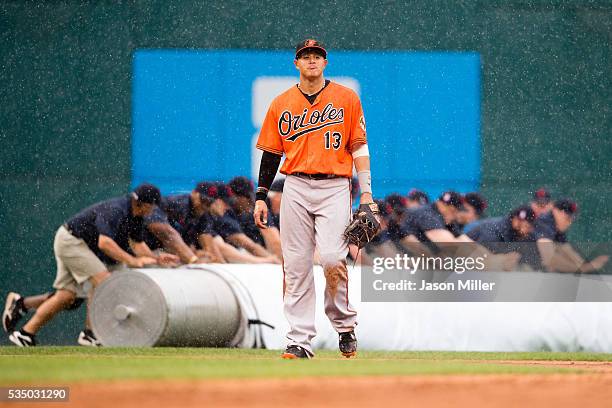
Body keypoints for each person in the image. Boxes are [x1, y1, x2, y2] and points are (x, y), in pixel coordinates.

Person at [253, 38, 373, 359]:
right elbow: (270, 154)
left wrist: (367, 194)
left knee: (334, 258)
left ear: (325, 62)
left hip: (334, 185)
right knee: (295, 266)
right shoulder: (281, 103)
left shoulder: (346, 99)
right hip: (294, 185)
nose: (311, 61)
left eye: (316, 56)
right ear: (296, 63)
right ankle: (299, 340)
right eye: (305, 56)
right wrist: (261, 196)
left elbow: (359, 147)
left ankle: (345, 325)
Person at [5, 184, 169, 347]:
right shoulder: (117, 209)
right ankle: (90, 334)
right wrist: (132, 261)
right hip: (72, 242)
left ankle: (25, 334)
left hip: (77, 243)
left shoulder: (136, 216)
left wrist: (156, 258)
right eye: (153, 206)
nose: (153, 210)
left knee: (67, 297)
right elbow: (104, 243)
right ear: (144, 204)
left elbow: (138, 244)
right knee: (104, 282)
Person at [535, 199, 608, 272]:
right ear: (555, 211)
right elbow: (549, 259)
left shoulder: (556, 227)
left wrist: (586, 265)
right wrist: (583, 268)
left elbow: (567, 251)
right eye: (567, 218)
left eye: (572, 219)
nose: (569, 223)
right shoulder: (544, 223)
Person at [228, 176, 282, 259]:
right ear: (236, 197)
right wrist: (272, 260)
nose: (250, 202)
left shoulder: (255, 207)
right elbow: (242, 241)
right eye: (247, 198)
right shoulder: (226, 211)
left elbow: (273, 239)